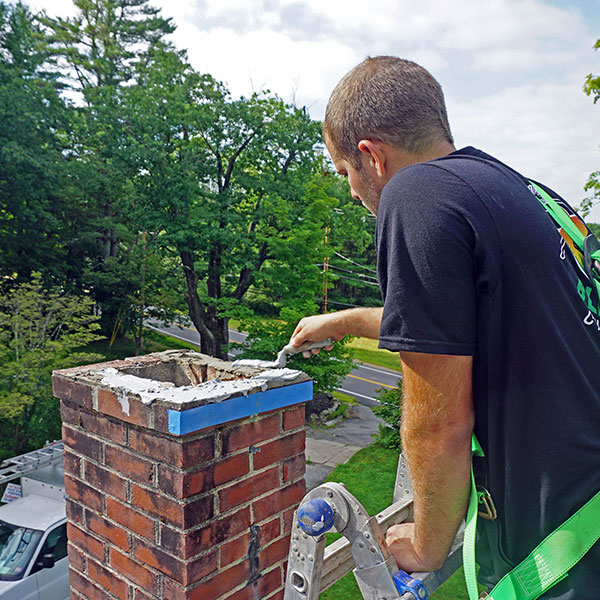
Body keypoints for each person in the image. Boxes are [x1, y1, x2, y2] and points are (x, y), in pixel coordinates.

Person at [289, 56, 600, 597]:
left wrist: (429, 543)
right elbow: (480, 324)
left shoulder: (418, 195)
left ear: (371, 157)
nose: (353, 194)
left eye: (345, 175)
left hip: (561, 553)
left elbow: (439, 424)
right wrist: (346, 321)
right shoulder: (520, 193)